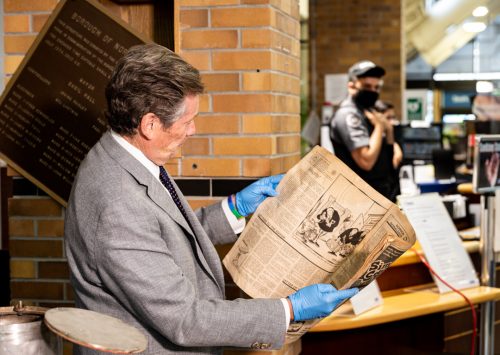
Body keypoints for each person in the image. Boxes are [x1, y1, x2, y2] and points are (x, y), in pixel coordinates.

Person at [64, 43, 358, 354]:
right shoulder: (117, 202)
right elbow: (185, 319)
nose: (193, 130)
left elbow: (164, 237)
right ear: (150, 124)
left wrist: (234, 209)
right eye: (187, 120)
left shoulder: (129, 156)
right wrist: (289, 310)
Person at [330, 60, 401, 201]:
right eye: (367, 86)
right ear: (351, 86)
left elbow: (388, 158)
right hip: (361, 199)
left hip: (382, 193)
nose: (372, 92)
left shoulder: (368, 111)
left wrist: (389, 131)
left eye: (376, 88)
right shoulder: (349, 115)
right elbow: (366, 161)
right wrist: (380, 127)